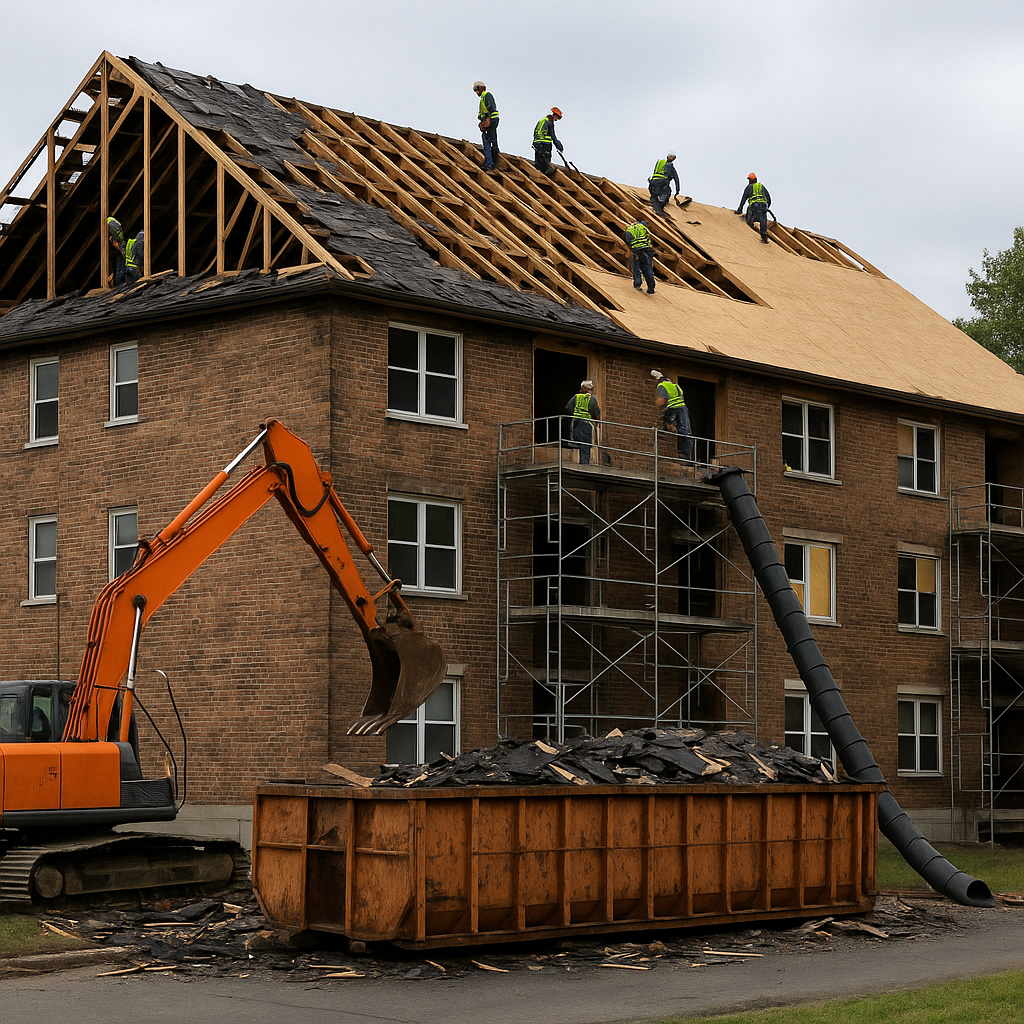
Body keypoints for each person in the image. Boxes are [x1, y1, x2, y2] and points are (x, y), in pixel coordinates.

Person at [651, 370, 693, 461]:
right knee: (685, 432)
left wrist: (653, 405)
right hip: (682, 409)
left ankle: (682, 454)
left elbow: (662, 400)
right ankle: (687, 457)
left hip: (672, 409)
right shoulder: (675, 385)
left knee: (671, 427)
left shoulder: (661, 386)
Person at [565, 379, 600, 465]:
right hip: (585, 423)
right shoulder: (591, 399)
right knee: (586, 445)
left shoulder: (576, 397)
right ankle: (584, 464)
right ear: (588, 389)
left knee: (577, 441)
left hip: (575, 422)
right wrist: (596, 421)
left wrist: (575, 414)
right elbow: (597, 414)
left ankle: (574, 444)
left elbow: (568, 408)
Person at [735, 172, 771, 243]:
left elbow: (743, 199)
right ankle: (764, 235)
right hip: (763, 206)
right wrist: (766, 208)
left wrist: (739, 210)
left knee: (749, 219)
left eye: (750, 180)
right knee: (763, 219)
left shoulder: (749, 187)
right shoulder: (761, 187)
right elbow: (769, 199)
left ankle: (749, 228)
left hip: (754, 206)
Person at [472, 81, 500, 171]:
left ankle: (489, 164)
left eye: (477, 89)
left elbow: (490, 108)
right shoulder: (483, 97)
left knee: (486, 140)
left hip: (491, 120)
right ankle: (493, 162)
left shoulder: (486, 95)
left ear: (482, 88)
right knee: (493, 140)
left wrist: (487, 119)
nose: (476, 92)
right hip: (491, 119)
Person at [625, 220, 656, 294]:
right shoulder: (644, 228)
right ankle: (651, 288)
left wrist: (632, 247)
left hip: (636, 250)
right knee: (647, 267)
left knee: (636, 266)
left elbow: (628, 240)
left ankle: (637, 283)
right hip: (647, 250)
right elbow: (648, 239)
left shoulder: (629, 229)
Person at [533, 108, 563, 177]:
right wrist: (559, 146)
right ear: (554, 115)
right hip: (545, 144)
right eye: (557, 118)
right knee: (545, 161)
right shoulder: (549, 122)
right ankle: (543, 174)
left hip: (537, 143)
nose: (556, 120)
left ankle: (538, 174)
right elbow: (553, 136)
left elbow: (535, 132)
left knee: (539, 161)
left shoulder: (542, 121)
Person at [648, 153, 680, 217]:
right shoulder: (670, 166)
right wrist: (677, 191)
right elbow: (676, 179)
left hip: (653, 183)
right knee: (666, 194)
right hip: (662, 182)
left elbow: (655, 171)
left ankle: (656, 208)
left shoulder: (660, 162)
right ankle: (659, 210)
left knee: (654, 196)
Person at [107, 216, 126, 287]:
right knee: (120, 267)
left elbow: (115, 230)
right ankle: (119, 284)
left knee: (120, 268)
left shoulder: (111, 223)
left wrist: (115, 241)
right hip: (118, 248)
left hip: (118, 247)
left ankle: (119, 284)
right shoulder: (114, 222)